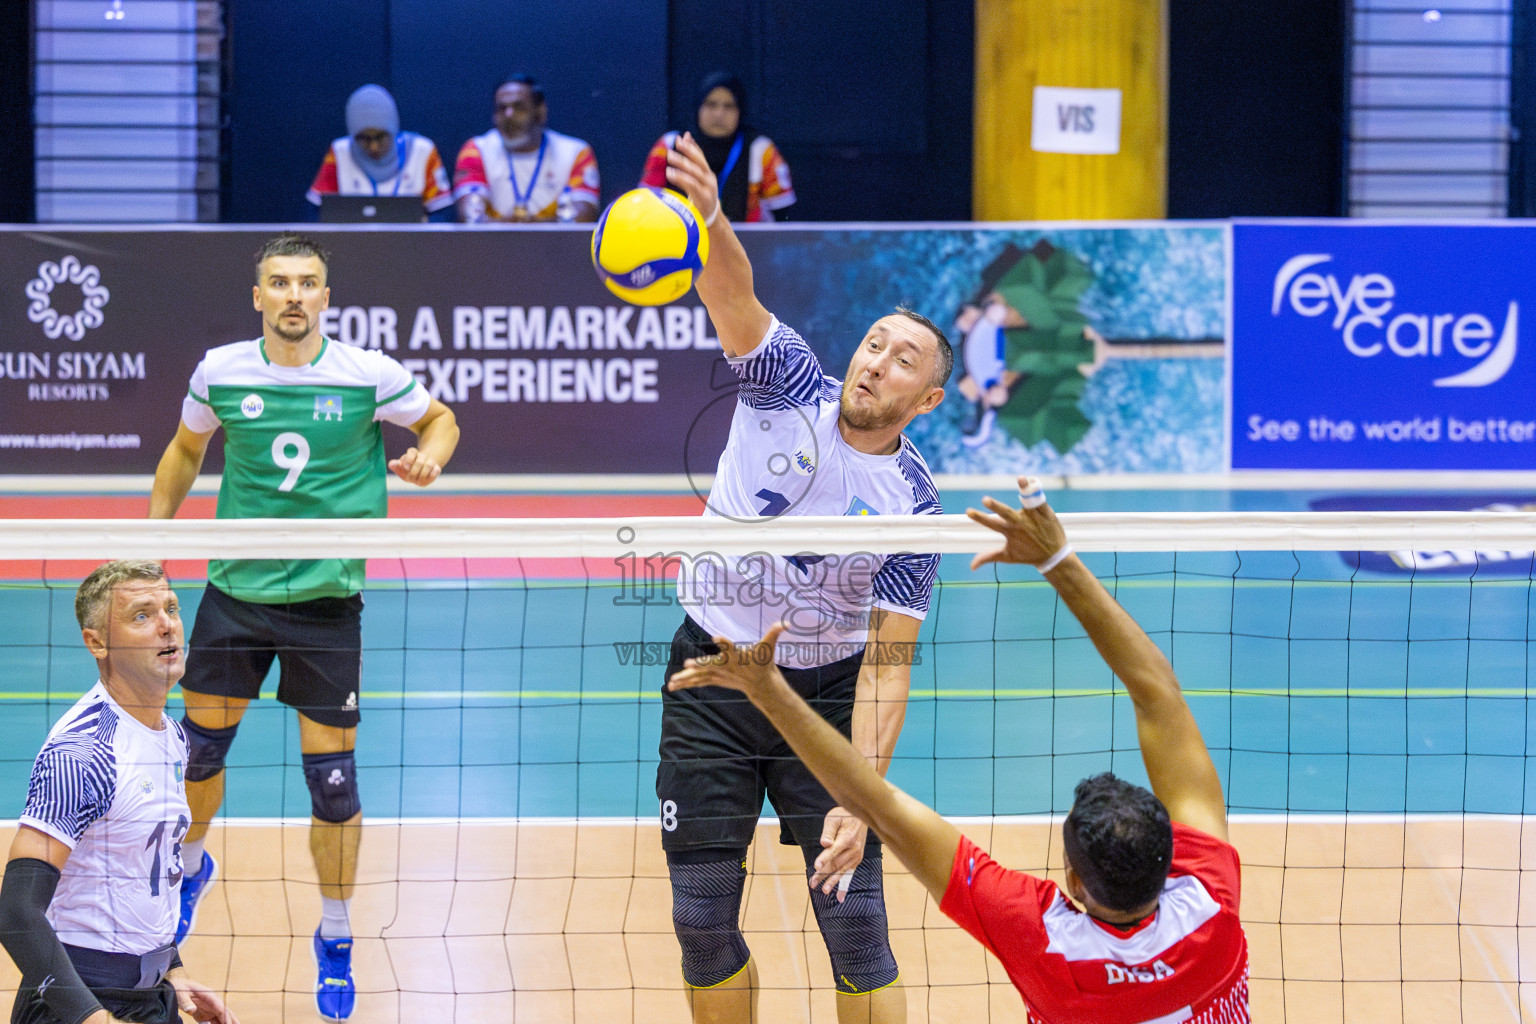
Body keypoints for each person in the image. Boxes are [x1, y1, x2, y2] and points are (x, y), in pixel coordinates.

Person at [668, 482, 1251, 1024]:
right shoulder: (1213, 908)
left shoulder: (1040, 935)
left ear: (1071, 880)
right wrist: (1058, 560)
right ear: (1175, 855)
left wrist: (767, 690)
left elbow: (880, 804)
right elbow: (1160, 695)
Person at [656, 133, 950, 1024]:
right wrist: (709, 218)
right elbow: (731, 290)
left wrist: (864, 796)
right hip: (709, 675)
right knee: (700, 921)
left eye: (905, 359)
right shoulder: (786, 386)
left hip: (821, 700)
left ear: (927, 399)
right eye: (874, 342)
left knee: (854, 924)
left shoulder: (914, 504)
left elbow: (889, 661)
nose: (876, 360)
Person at [147, 233, 459, 1022]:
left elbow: (442, 420)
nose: (293, 295)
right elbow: (185, 450)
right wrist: (153, 547)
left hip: (326, 605)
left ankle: (337, 934)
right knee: (200, 759)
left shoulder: (366, 375)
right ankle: (188, 869)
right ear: (258, 296)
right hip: (233, 595)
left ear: (326, 296)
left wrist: (430, 457)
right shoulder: (220, 370)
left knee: (333, 787)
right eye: (279, 283)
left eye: (308, 283)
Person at [0, 560, 238, 1024]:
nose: (167, 624)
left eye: (171, 607)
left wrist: (169, 965)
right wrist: (89, 1017)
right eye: (142, 616)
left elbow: (143, 874)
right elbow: (16, 911)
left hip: (149, 995)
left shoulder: (171, 735)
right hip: (78, 999)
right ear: (97, 643)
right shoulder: (84, 754)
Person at [639, 72, 795, 223]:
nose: (719, 114)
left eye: (729, 106)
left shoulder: (762, 150)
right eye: (711, 104)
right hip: (680, 245)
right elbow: (645, 207)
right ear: (698, 108)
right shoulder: (669, 145)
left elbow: (783, 216)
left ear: (740, 111)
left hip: (746, 248)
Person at [452, 74, 600, 223]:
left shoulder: (575, 153)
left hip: (558, 246)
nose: (509, 115)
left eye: (518, 107)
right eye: (502, 108)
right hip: (489, 246)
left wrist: (522, 229)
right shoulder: (475, 150)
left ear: (540, 112)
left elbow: (582, 219)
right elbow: (470, 219)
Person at [306, 84, 454, 221]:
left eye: (381, 137)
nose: (374, 147)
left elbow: (443, 213)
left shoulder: (423, 151)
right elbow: (315, 214)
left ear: (394, 129)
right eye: (364, 139)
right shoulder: (339, 153)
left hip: (413, 247)